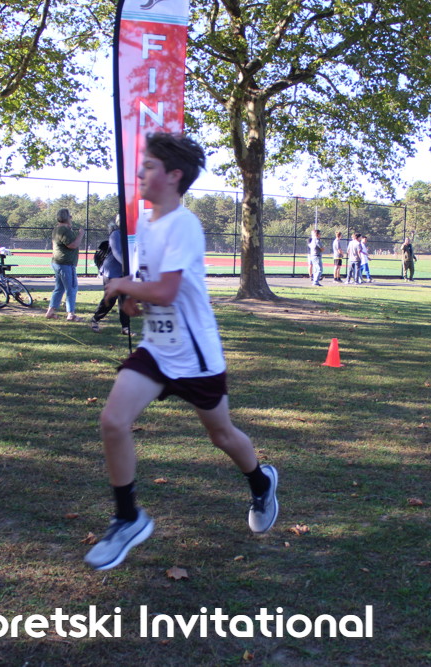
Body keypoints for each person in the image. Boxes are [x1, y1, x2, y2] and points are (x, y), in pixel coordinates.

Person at [85, 132, 278, 570]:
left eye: (150, 166)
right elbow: (149, 287)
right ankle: (127, 517)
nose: (140, 172)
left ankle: (260, 482)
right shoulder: (146, 224)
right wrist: (131, 298)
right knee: (113, 421)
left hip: (195, 356)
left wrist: (122, 284)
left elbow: (168, 291)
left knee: (221, 435)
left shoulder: (184, 224)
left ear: (173, 176)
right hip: (157, 349)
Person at [89, 219, 132, 335]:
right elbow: (117, 253)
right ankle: (95, 319)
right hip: (112, 271)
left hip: (124, 271)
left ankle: (125, 327)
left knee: (124, 299)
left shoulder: (131, 234)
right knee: (110, 299)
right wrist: (128, 266)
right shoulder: (116, 234)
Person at [45, 208, 84, 321]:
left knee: (59, 288)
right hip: (65, 263)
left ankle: (50, 312)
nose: (71, 218)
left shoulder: (57, 229)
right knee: (71, 288)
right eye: (70, 216)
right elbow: (72, 245)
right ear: (67, 218)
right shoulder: (64, 230)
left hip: (58, 262)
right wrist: (80, 234)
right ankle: (71, 314)